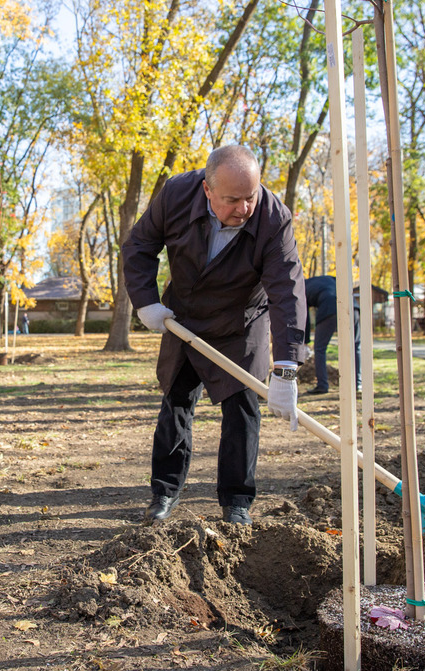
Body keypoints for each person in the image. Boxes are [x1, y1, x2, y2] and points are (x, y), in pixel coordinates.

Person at [123, 145, 307, 526]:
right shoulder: (175, 194)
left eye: (250, 197)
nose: (243, 209)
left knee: (243, 410)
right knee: (176, 402)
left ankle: (237, 501)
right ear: (207, 190)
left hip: (240, 322)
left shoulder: (274, 219)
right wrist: (145, 302)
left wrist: (287, 366)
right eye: (232, 199)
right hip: (184, 317)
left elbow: (286, 291)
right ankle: (164, 492)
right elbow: (139, 245)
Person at [303, 275, 361, 395]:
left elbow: (304, 316)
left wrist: (305, 341)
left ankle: (322, 385)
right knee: (356, 345)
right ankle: (358, 384)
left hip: (330, 307)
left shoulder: (300, 287)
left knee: (319, 349)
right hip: (353, 306)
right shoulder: (327, 278)